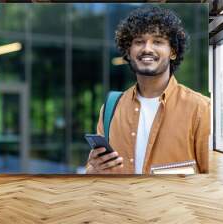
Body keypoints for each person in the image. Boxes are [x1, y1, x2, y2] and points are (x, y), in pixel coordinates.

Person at [86, 6, 210, 174]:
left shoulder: (201, 109)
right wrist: (93, 171)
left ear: (172, 52)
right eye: (139, 42)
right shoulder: (111, 109)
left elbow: (212, 179)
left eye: (157, 41)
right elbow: (93, 174)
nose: (147, 49)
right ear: (129, 52)